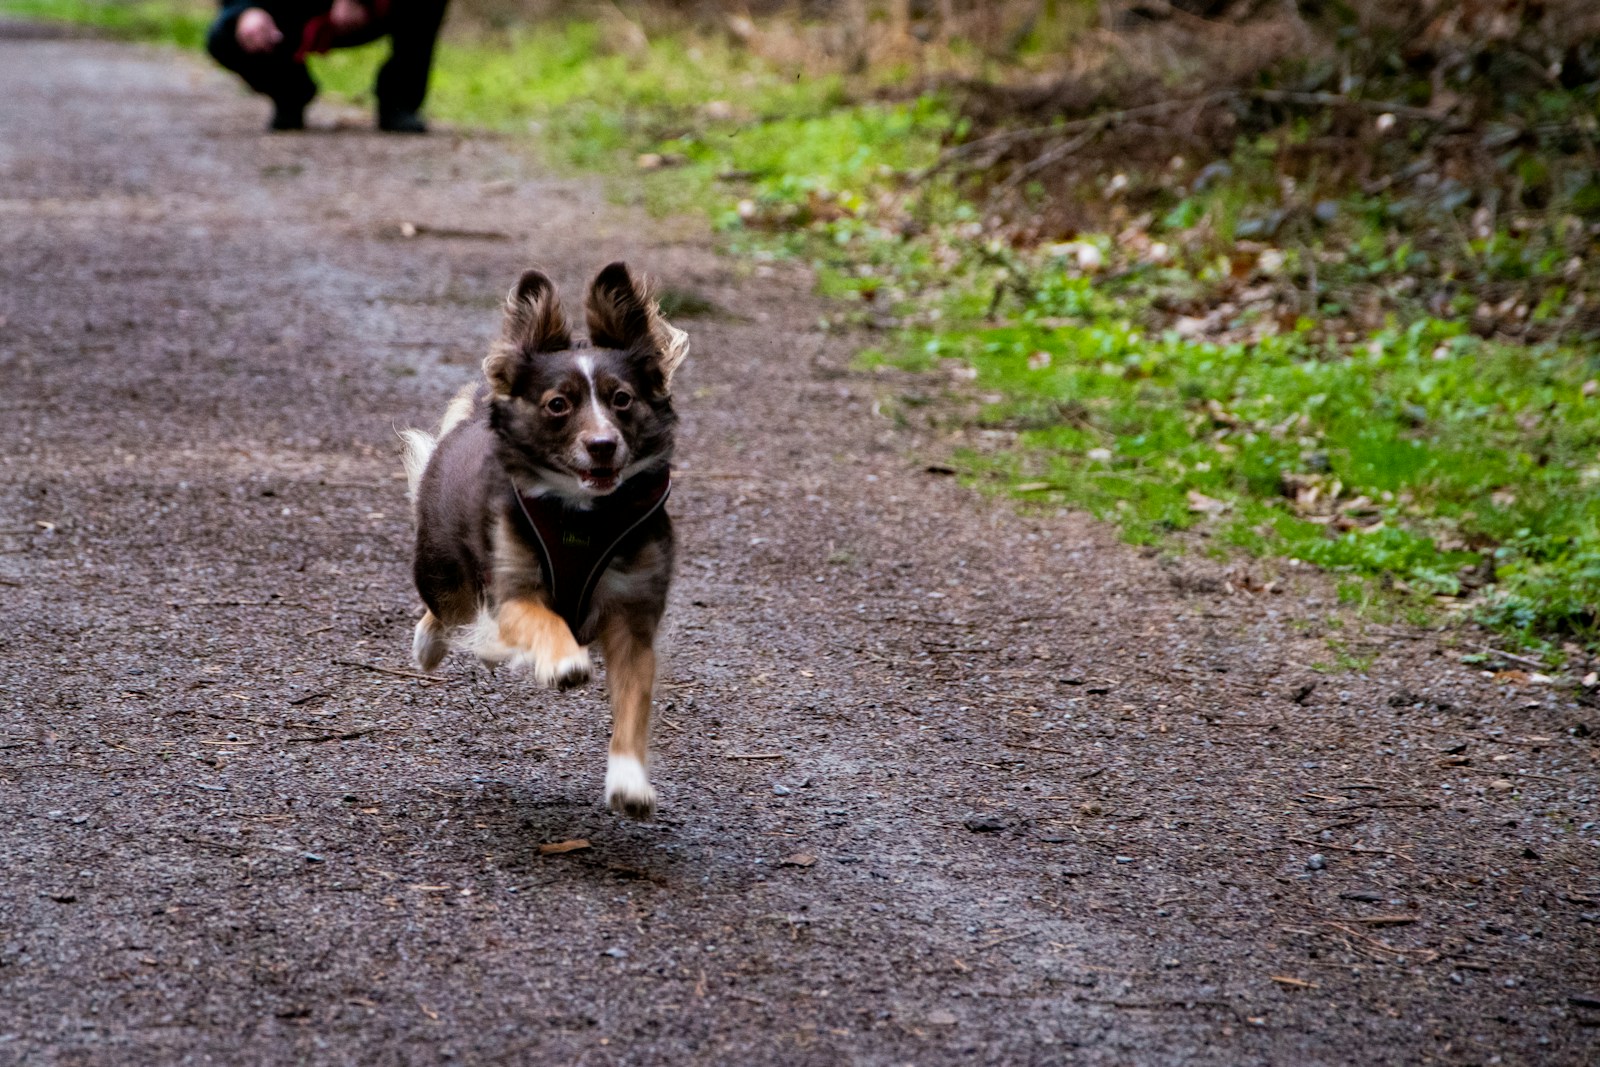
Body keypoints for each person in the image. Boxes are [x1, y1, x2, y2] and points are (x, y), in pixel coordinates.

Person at [206, 0, 449, 133]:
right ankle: (290, 93)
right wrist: (244, 10)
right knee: (225, 34)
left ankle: (399, 103)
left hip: (368, 10)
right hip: (288, 15)